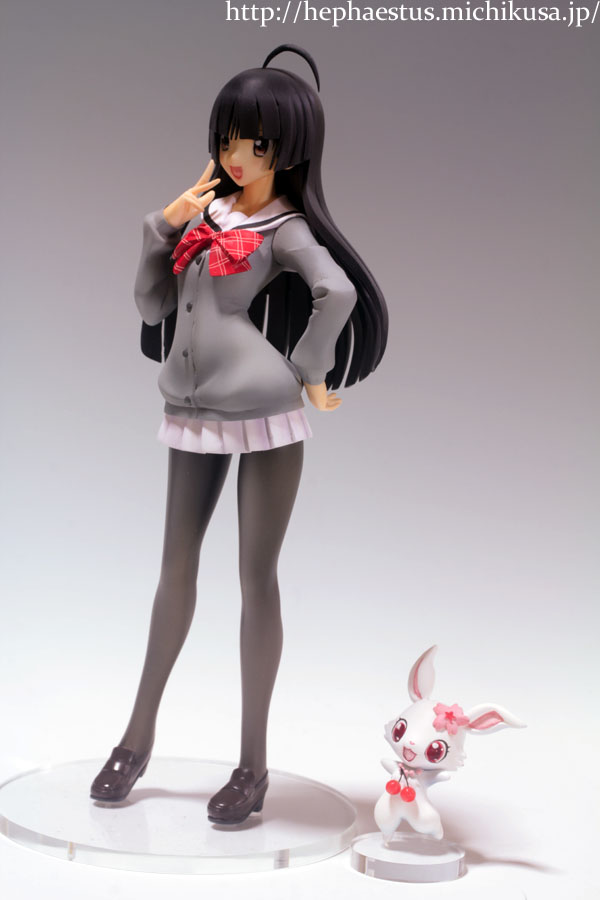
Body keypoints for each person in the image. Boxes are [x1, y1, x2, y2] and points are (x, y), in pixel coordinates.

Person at [90, 44, 388, 825]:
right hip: (192, 409)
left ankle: (252, 766)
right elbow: (153, 307)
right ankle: (135, 739)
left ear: (290, 150)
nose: (237, 155)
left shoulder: (285, 226)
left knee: (257, 578)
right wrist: (162, 226)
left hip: (264, 410)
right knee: (174, 573)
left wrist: (310, 371)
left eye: (257, 143)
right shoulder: (206, 216)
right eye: (228, 138)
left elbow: (335, 291)